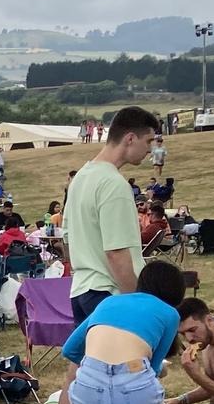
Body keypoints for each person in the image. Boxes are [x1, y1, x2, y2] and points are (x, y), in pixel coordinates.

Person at [52, 260, 187, 404]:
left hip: (88, 391)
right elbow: (153, 367)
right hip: (135, 390)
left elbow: (69, 350)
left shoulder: (107, 303)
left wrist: (98, 366)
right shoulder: (170, 314)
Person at [63, 104, 157, 326]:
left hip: (81, 290)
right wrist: (136, 304)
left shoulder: (80, 178)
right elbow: (117, 253)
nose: (150, 150)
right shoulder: (114, 184)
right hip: (109, 294)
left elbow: (66, 240)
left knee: (87, 361)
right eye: (149, 142)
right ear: (131, 138)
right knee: (128, 361)